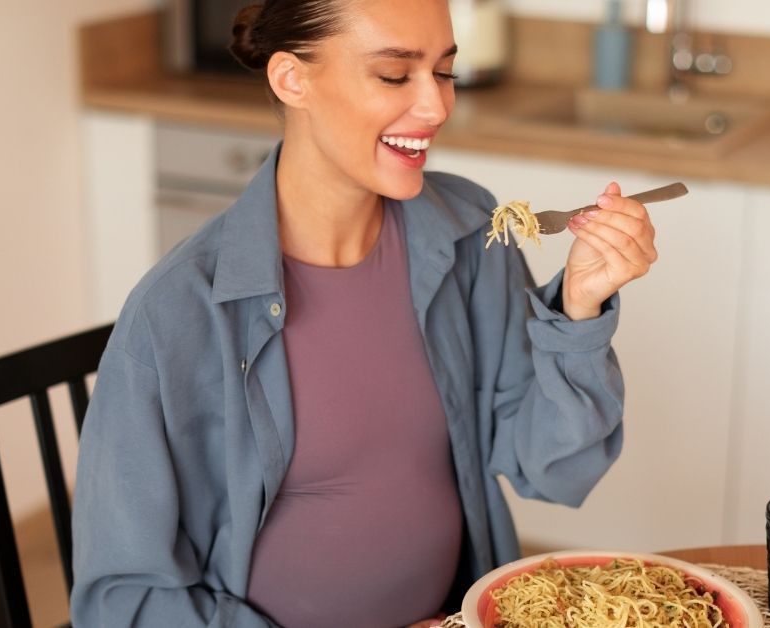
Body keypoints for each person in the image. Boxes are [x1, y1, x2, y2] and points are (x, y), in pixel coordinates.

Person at [70, 0, 659, 626]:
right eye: (394, 75)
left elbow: (555, 469)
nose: (435, 107)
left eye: (445, 72)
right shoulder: (176, 312)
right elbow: (122, 599)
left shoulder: (468, 235)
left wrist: (579, 308)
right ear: (292, 79)